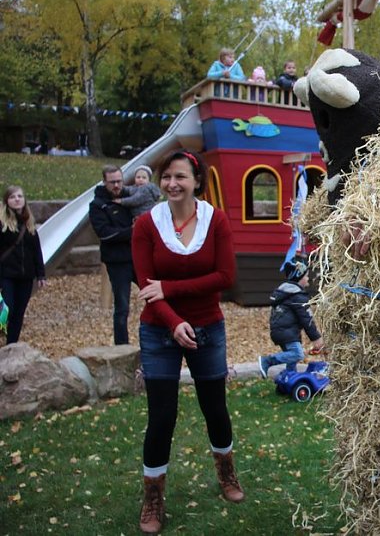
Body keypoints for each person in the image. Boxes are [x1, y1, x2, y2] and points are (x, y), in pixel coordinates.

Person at [132, 151, 241, 533]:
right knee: (162, 417)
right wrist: (174, 321)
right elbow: (147, 287)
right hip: (159, 330)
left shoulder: (216, 220)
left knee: (215, 408)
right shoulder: (146, 224)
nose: (171, 183)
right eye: (166, 177)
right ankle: (153, 496)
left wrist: (172, 290)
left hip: (208, 328)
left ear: (197, 180)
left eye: (180, 176)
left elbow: (225, 275)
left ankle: (226, 473)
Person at [89, 165, 135, 345]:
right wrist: (131, 231)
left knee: (156, 296)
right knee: (122, 307)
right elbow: (105, 233)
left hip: (137, 257)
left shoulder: (130, 198)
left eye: (119, 181)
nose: (116, 185)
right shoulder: (98, 205)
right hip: (117, 262)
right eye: (112, 182)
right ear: (104, 182)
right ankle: (121, 347)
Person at [258, 259, 323, 378]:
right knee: (297, 354)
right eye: (306, 276)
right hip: (286, 331)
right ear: (299, 277)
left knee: (291, 357)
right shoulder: (297, 296)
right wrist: (316, 338)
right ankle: (267, 361)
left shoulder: (285, 293)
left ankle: (290, 377)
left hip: (281, 330)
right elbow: (306, 319)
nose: (308, 278)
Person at [0, 186, 46, 344]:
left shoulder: (29, 224)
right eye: (13, 197)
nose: (17, 199)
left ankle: (11, 345)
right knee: (8, 309)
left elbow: (36, 250)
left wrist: (41, 274)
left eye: (20, 196)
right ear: (7, 201)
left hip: (26, 275)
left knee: (19, 312)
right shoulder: (3, 225)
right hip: (6, 275)